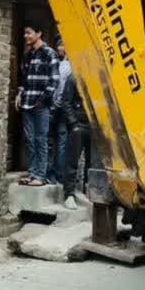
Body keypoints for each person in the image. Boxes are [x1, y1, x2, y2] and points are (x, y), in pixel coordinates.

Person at [15, 24, 58, 188]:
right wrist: (19, 94)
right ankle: (32, 173)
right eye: (24, 33)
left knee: (41, 139)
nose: (25, 36)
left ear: (39, 33)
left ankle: (41, 175)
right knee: (29, 140)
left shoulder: (49, 53)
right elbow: (23, 79)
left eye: (29, 33)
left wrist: (44, 98)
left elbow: (54, 79)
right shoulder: (27, 55)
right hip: (26, 104)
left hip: (41, 105)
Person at [49, 37, 81, 209]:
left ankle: (64, 179)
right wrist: (74, 122)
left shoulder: (70, 68)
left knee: (61, 143)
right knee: (62, 148)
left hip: (72, 116)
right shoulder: (69, 72)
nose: (60, 48)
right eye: (59, 45)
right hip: (68, 116)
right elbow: (64, 96)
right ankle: (65, 187)